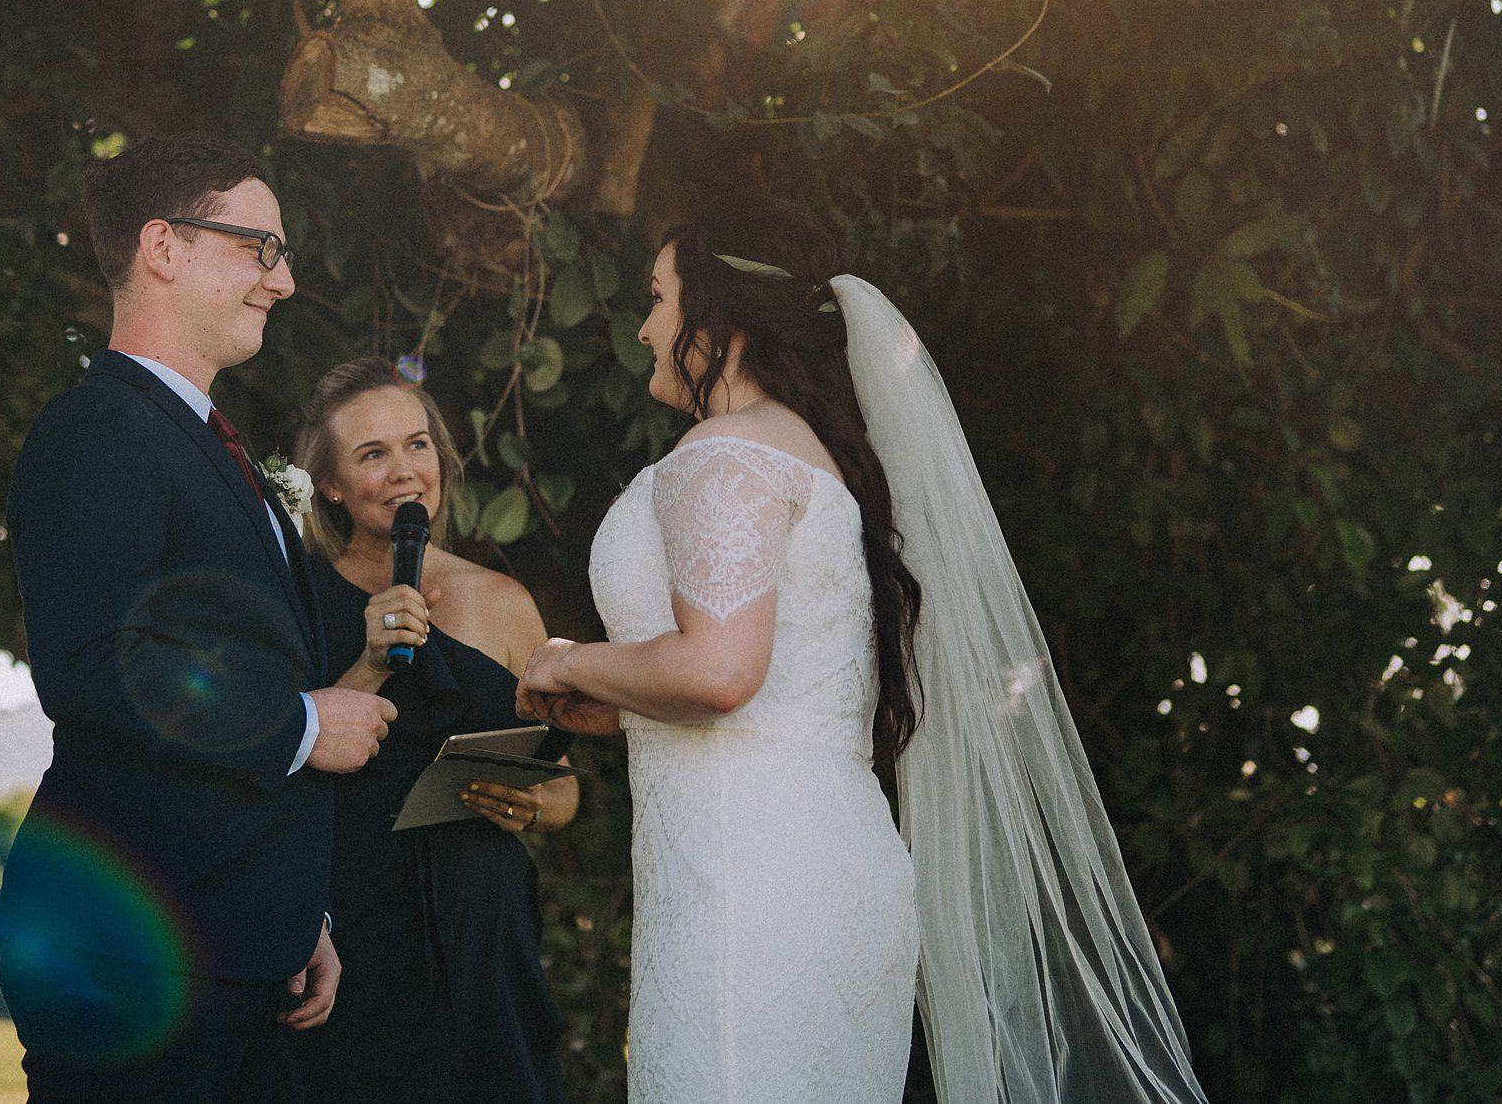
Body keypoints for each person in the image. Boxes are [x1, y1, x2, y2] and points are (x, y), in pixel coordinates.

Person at [516, 195, 1209, 1104]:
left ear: (719, 315)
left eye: (657, 298)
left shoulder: (722, 454)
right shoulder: (817, 459)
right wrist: (620, 701)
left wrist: (565, 660)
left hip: (747, 887)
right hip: (833, 875)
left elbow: (720, 671)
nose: (645, 328)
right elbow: (781, 686)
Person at [0, 138, 397, 1104]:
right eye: (262, 247)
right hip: (133, 947)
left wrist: (295, 912)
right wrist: (305, 723)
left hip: (234, 939)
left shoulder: (208, 443)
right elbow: (96, 663)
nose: (284, 280)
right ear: (163, 247)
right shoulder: (99, 427)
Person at [288, 358, 576, 1104]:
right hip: (352, 919)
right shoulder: (297, 599)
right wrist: (370, 661)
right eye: (372, 454)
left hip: (483, 927)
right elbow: (278, 758)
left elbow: (562, 786)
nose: (404, 471)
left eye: (416, 445)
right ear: (330, 484)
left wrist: (531, 804)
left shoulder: (503, 600)